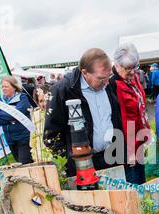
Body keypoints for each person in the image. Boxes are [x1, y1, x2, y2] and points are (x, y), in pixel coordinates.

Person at [43, 48, 124, 177]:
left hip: (112, 158)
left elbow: (116, 119)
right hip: (82, 164)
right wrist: (69, 162)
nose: (106, 82)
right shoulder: (62, 91)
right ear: (85, 72)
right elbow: (51, 135)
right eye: (101, 78)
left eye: (108, 77)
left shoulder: (108, 86)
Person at [111, 43, 151, 185]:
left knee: (142, 181)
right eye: (128, 68)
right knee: (134, 185)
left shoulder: (132, 79)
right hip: (128, 147)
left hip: (138, 140)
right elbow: (124, 121)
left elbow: (140, 109)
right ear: (117, 66)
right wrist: (131, 151)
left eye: (135, 67)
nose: (133, 72)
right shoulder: (114, 85)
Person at [0, 76, 34, 164]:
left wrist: (6, 115)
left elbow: (15, 115)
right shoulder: (0, 101)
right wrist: (9, 120)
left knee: (25, 164)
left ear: (14, 87)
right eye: (2, 86)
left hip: (24, 138)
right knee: (19, 164)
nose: (4, 89)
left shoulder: (22, 98)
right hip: (10, 139)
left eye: (6, 86)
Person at [30, 85, 49, 163]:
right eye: (41, 101)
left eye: (46, 100)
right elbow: (32, 139)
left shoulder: (58, 113)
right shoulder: (35, 116)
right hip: (41, 157)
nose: (44, 103)